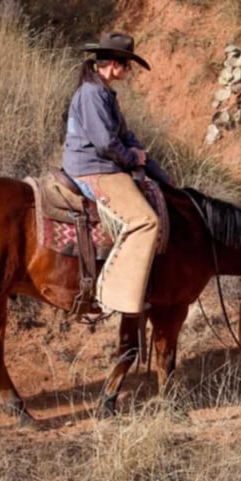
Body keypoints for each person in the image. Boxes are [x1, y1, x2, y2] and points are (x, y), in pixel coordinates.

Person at [62, 32, 173, 317]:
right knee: (146, 221)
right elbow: (105, 143)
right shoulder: (93, 93)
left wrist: (151, 166)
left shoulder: (102, 92)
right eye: (127, 65)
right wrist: (131, 157)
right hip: (93, 169)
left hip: (103, 165)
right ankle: (115, 296)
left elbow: (124, 135)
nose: (130, 70)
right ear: (115, 64)